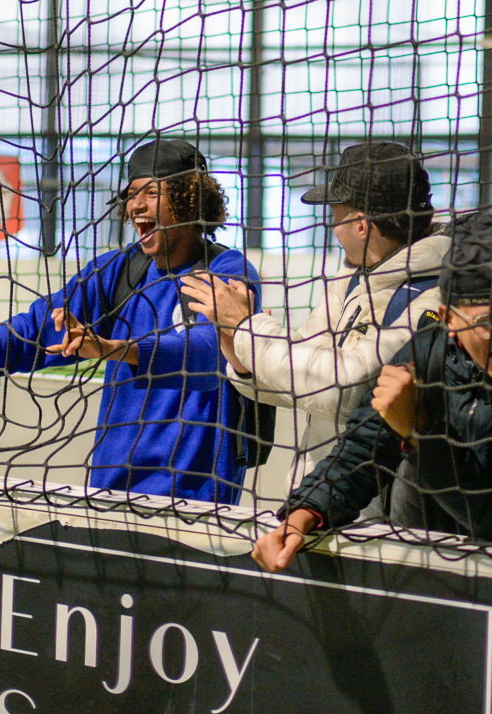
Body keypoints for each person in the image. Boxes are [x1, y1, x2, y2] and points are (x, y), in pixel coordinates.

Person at [0, 139, 262, 504]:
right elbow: (40, 327)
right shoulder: (120, 269)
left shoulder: (226, 271)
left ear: (190, 199)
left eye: (151, 193)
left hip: (196, 496)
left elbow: (208, 355)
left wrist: (115, 349)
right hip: (111, 491)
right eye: (131, 194)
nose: (136, 205)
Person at [252, 213, 492, 570]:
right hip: (437, 568)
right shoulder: (427, 353)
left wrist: (420, 432)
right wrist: (302, 515)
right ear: (448, 318)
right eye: (487, 322)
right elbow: (362, 450)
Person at [181, 142, 447, 491]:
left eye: (336, 218)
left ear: (361, 224)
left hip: (376, 504)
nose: (334, 229)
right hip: (318, 493)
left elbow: (344, 390)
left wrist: (249, 327)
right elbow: (305, 378)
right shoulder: (353, 275)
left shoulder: (434, 295)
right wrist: (243, 359)